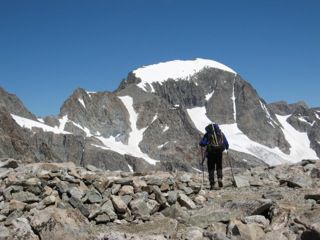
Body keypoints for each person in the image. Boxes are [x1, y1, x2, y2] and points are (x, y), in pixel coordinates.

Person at [199, 123, 229, 190]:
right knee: (219, 166)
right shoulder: (220, 133)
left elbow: (202, 143)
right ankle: (219, 178)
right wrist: (226, 147)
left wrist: (202, 144)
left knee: (211, 168)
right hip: (219, 152)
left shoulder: (208, 134)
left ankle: (212, 184)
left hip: (210, 153)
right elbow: (226, 143)